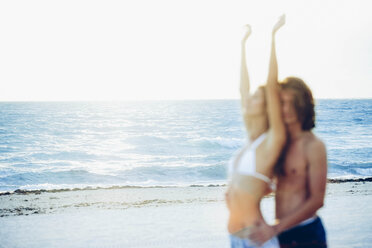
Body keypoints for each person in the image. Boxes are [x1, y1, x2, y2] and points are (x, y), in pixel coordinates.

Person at [225, 15, 286, 248]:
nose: (249, 99)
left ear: (267, 106)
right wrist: (243, 45)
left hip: (256, 240)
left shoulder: (272, 140)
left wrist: (272, 37)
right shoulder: (249, 141)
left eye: (257, 98)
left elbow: (271, 85)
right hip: (235, 237)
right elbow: (243, 87)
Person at [247, 80, 328, 246]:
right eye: (282, 103)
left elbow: (317, 200)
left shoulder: (313, 145)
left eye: (293, 103)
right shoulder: (279, 144)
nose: (287, 109)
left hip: (306, 234)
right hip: (282, 232)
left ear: (304, 105)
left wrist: (274, 229)